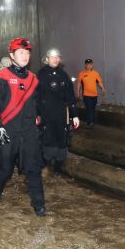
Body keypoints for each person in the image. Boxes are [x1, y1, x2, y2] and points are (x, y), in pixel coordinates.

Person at [0, 37, 46, 216]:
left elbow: (38, 103)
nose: (25, 56)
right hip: (8, 131)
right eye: (21, 52)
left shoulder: (33, 79)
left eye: (27, 52)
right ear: (12, 55)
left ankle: (39, 205)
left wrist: (40, 118)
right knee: (5, 169)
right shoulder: (2, 77)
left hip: (28, 132)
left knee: (33, 168)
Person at [37, 48, 79, 176]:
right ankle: (44, 164)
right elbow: (36, 97)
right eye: (52, 57)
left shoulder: (63, 75)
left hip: (61, 114)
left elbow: (70, 97)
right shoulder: (41, 74)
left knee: (62, 140)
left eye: (57, 57)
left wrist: (75, 115)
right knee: (48, 140)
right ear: (47, 59)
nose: (55, 59)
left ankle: (58, 168)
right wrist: (36, 114)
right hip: (46, 115)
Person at [77, 58, 105, 127]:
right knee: (89, 108)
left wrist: (103, 88)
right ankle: (90, 122)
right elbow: (79, 84)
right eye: (87, 64)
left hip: (94, 95)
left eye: (90, 64)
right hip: (86, 95)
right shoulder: (81, 74)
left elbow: (99, 82)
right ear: (85, 65)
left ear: (92, 65)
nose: (89, 66)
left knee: (92, 108)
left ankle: (90, 121)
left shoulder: (95, 73)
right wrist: (77, 91)